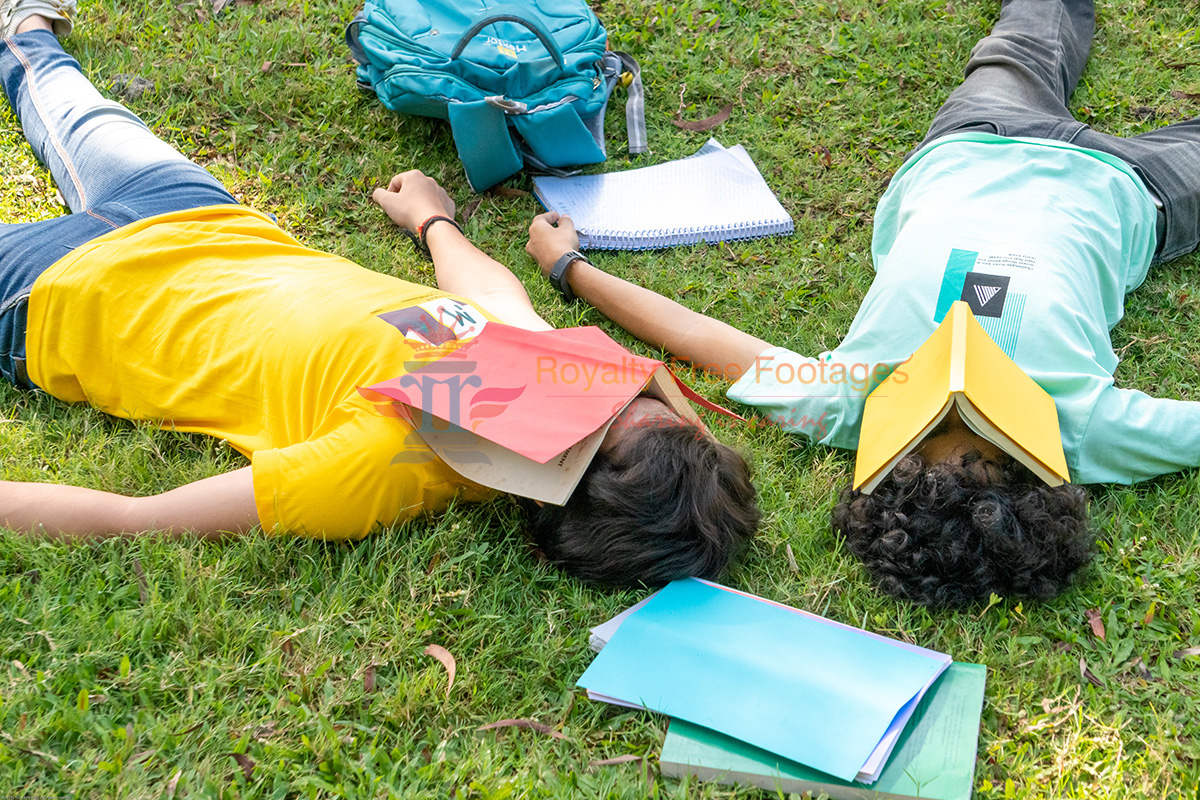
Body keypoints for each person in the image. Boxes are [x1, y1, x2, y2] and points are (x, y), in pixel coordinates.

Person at [0, 1, 760, 587]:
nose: (602, 384)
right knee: (71, 100)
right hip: (204, 218)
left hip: (61, 296)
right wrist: (434, 221)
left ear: (547, 481)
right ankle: (26, 32)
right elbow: (497, 299)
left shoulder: (380, 469)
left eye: (606, 417)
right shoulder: (543, 374)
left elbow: (136, 519)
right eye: (634, 397)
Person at [526, 0, 1200, 605]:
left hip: (972, 141)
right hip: (1131, 189)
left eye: (932, 430)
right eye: (981, 434)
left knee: (1031, 27)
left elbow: (704, 338)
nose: (955, 398)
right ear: (1033, 475)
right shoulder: (1082, 430)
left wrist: (571, 270)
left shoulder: (853, 401)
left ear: (891, 463)